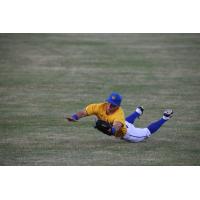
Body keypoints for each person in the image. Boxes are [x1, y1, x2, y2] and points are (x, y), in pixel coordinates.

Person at [66, 92, 173, 143]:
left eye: (112, 105)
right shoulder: (98, 107)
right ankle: (138, 111)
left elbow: (117, 126)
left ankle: (165, 117)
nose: (109, 106)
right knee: (127, 122)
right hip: (124, 124)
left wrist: (110, 130)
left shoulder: (119, 113)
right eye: (108, 102)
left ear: (118, 106)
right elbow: (84, 112)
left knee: (146, 132)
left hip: (128, 134)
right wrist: (75, 117)